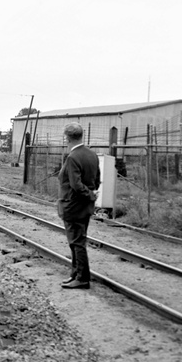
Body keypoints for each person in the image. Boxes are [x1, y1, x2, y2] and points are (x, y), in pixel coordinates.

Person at [57, 122, 101, 289]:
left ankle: (82, 278)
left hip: (73, 206)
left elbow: (75, 185)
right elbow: (96, 181)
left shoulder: (73, 157)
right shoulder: (92, 155)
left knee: (77, 242)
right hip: (85, 207)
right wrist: (92, 195)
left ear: (67, 137)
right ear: (81, 135)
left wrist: (88, 195)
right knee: (77, 240)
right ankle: (75, 274)